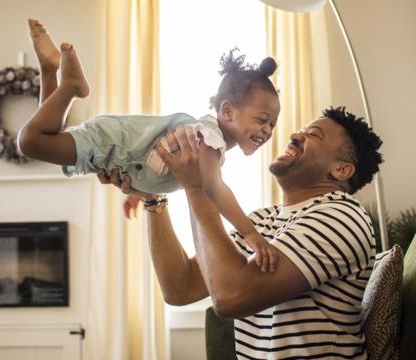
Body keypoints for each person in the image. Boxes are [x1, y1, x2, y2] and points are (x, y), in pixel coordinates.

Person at [99, 106, 383, 359]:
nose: (295, 135)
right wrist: (153, 199)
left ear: (341, 170)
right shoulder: (262, 221)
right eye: (302, 130)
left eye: (314, 135)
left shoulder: (341, 216)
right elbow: (180, 289)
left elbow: (230, 297)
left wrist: (197, 186)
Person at [18, 19, 281, 270]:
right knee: (31, 141)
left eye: (272, 124)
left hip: (114, 150)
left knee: (49, 135)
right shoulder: (208, 140)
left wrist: (140, 191)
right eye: (262, 119)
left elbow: (155, 156)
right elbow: (213, 188)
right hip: (112, 145)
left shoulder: (205, 137)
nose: (267, 130)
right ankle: (72, 85)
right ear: (227, 111)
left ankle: (49, 68)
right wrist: (251, 235)